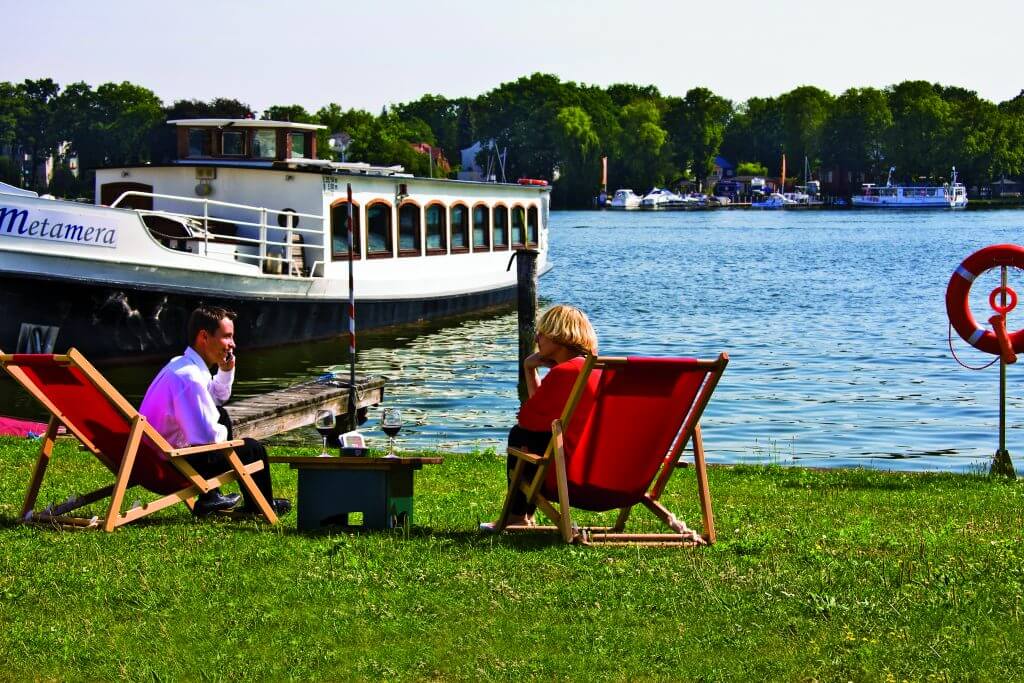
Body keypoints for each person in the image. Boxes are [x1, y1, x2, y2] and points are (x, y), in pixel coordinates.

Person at [139, 305, 290, 517]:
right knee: (252, 449)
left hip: (156, 459)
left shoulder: (182, 364)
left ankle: (211, 498)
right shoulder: (189, 378)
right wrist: (235, 444)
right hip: (169, 467)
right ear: (204, 337)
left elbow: (215, 399)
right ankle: (260, 508)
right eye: (227, 336)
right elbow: (207, 437)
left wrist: (225, 371)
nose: (233, 344)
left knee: (222, 415)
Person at [495, 304, 599, 527]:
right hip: (598, 470)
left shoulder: (565, 372)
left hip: (567, 472)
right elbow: (540, 412)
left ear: (559, 335)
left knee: (520, 435)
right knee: (536, 434)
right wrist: (530, 369)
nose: (537, 338)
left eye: (542, 333)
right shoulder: (596, 370)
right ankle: (523, 516)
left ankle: (517, 516)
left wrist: (532, 368)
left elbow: (527, 421)